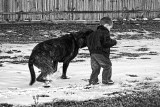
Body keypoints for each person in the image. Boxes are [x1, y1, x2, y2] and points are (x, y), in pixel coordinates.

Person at [87, 16, 117, 85]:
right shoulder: (105, 32)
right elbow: (106, 43)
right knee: (107, 65)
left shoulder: (93, 33)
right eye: (110, 27)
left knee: (95, 68)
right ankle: (106, 80)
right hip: (101, 53)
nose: (110, 29)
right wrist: (114, 42)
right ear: (106, 25)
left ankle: (93, 80)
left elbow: (88, 42)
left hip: (92, 53)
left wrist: (91, 50)